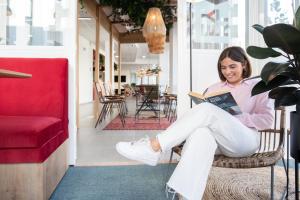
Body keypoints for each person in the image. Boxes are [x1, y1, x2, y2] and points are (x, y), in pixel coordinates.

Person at [116, 46, 274, 200]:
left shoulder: (258, 87)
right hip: (220, 141)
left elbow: (267, 120)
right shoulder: (214, 88)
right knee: (201, 134)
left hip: (245, 140)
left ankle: (154, 146)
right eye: (223, 67)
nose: (227, 71)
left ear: (244, 64)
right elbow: (204, 117)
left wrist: (235, 118)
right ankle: (187, 196)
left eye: (232, 66)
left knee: (208, 110)